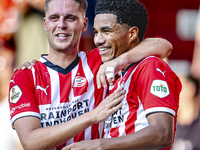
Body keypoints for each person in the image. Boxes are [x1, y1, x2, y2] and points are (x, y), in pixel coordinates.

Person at [9, 0, 173, 149]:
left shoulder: (99, 60)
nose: (61, 25)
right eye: (54, 17)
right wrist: (92, 116)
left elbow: (163, 45)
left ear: (84, 24)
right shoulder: (24, 77)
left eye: (70, 18)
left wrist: (120, 60)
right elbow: (31, 142)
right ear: (45, 23)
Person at [62, 0, 182, 150]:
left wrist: (99, 145)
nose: (98, 40)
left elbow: (162, 133)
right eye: (96, 32)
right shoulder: (115, 71)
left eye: (107, 31)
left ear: (131, 34)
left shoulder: (149, 66)